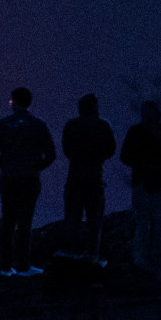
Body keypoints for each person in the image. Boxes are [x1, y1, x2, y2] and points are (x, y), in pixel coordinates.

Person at [0, 87, 57, 277]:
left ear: (14, 102)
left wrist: (6, 165)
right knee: (25, 221)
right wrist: (35, 167)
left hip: (9, 179)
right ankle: (24, 266)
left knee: (8, 221)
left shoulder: (4, 124)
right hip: (29, 179)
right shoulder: (38, 125)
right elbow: (51, 154)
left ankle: (5, 266)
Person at [120, 100, 161, 268]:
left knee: (144, 221)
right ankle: (157, 259)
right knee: (157, 221)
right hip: (158, 182)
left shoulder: (136, 132)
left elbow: (125, 156)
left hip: (144, 182)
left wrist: (139, 164)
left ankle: (142, 258)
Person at [61, 94, 117, 260]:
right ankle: (92, 253)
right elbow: (111, 149)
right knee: (94, 218)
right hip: (95, 176)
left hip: (75, 176)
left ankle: (70, 251)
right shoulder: (103, 126)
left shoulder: (71, 125)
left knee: (72, 216)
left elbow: (66, 148)